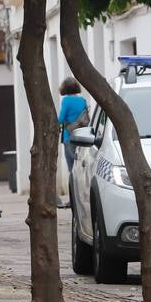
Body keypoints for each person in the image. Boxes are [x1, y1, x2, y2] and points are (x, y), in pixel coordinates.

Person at [57, 78, 89, 209]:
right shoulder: (82, 100)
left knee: (72, 170)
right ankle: (83, 198)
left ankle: (73, 200)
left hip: (69, 137)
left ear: (65, 88)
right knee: (81, 168)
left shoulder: (66, 100)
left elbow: (61, 118)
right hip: (82, 137)